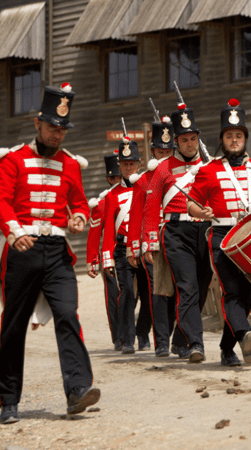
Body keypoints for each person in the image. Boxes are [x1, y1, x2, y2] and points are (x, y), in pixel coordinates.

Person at [0, 83, 100, 424]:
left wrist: (79, 217)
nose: (57, 135)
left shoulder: (71, 164)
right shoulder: (13, 159)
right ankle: (7, 398)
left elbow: (80, 202)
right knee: (12, 325)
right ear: (37, 124)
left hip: (57, 250)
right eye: (52, 128)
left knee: (68, 314)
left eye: (62, 130)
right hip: (23, 249)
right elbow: (1, 200)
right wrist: (14, 232)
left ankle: (77, 390)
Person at [187, 98, 251, 367]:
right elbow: (191, 203)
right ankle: (245, 334)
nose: (235, 140)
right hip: (222, 236)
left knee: (246, 295)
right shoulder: (208, 171)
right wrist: (200, 213)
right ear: (222, 139)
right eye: (229, 135)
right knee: (231, 291)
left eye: (239, 135)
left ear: (245, 138)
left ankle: (226, 348)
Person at [142, 101, 213, 363]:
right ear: (176, 141)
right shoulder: (162, 168)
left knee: (203, 285)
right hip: (175, 231)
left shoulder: (208, 167)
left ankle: (181, 338)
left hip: (203, 230)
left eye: (193, 139)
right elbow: (151, 206)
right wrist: (149, 242)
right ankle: (196, 343)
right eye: (184, 140)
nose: (190, 144)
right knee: (188, 287)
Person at [127, 115, 186, 357]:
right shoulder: (143, 181)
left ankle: (178, 339)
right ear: (152, 151)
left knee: (182, 291)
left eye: (168, 150)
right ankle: (161, 341)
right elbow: (135, 216)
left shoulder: (181, 175)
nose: (163, 155)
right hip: (154, 243)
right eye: (159, 151)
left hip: (179, 238)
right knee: (159, 293)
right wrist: (135, 246)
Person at [101, 132, 151, 354]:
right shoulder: (111, 195)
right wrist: (107, 259)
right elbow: (109, 230)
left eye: (132, 164)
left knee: (150, 294)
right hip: (122, 250)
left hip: (145, 248)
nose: (129, 168)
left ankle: (142, 333)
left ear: (139, 164)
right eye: (125, 164)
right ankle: (128, 339)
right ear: (119, 166)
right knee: (128, 293)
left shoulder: (149, 188)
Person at [86, 151, 122, 350]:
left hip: (133, 251)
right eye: (116, 177)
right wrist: (92, 259)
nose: (120, 180)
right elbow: (94, 234)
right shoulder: (100, 204)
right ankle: (118, 336)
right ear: (109, 179)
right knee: (114, 296)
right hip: (111, 254)